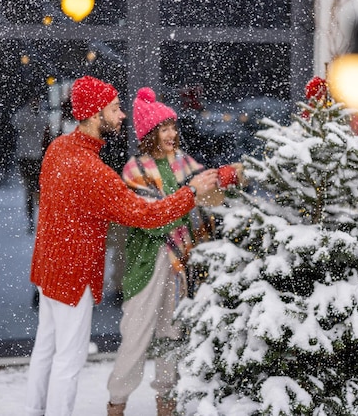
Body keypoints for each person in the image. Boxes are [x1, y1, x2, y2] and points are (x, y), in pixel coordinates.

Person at [24, 76, 219, 416]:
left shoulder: (58, 149)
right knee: (69, 360)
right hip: (73, 276)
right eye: (114, 109)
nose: (122, 116)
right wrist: (191, 194)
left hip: (48, 269)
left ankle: (34, 411)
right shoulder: (91, 171)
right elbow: (148, 215)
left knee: (46, 350)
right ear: (94, 113)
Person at [106, 87, 243, 416]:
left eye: (173, 127)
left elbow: (204, 192)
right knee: (136, 336)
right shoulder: (135, 171)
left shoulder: (182, 162)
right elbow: (153, 220)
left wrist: (227, 177)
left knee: (172, 332)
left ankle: (166, 402)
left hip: (178, 263)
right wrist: (193, 194)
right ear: (150, 134)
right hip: (148, 263)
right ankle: (116, 403)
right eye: (164, 128)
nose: (172, 133)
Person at [11, 95, 50, 233]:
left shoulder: (41, 115)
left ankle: (38, 219)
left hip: (36, 156)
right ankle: (31, 219)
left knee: (37, 189)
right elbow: (16, 123)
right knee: (30, 189)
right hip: (26, 156)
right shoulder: (23, 115)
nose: (35, 102)